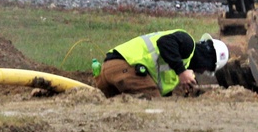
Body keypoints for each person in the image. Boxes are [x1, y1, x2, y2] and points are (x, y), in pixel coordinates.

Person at [95, 30, 229, 98]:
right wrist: (182, 72)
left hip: (109, 69)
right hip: (126, 67)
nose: (201, 72)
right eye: (206, 69)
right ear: (207, 59)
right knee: (156, 107)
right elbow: (165, 42)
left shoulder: (180, 62)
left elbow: (160, 87)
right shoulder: (187, 43)